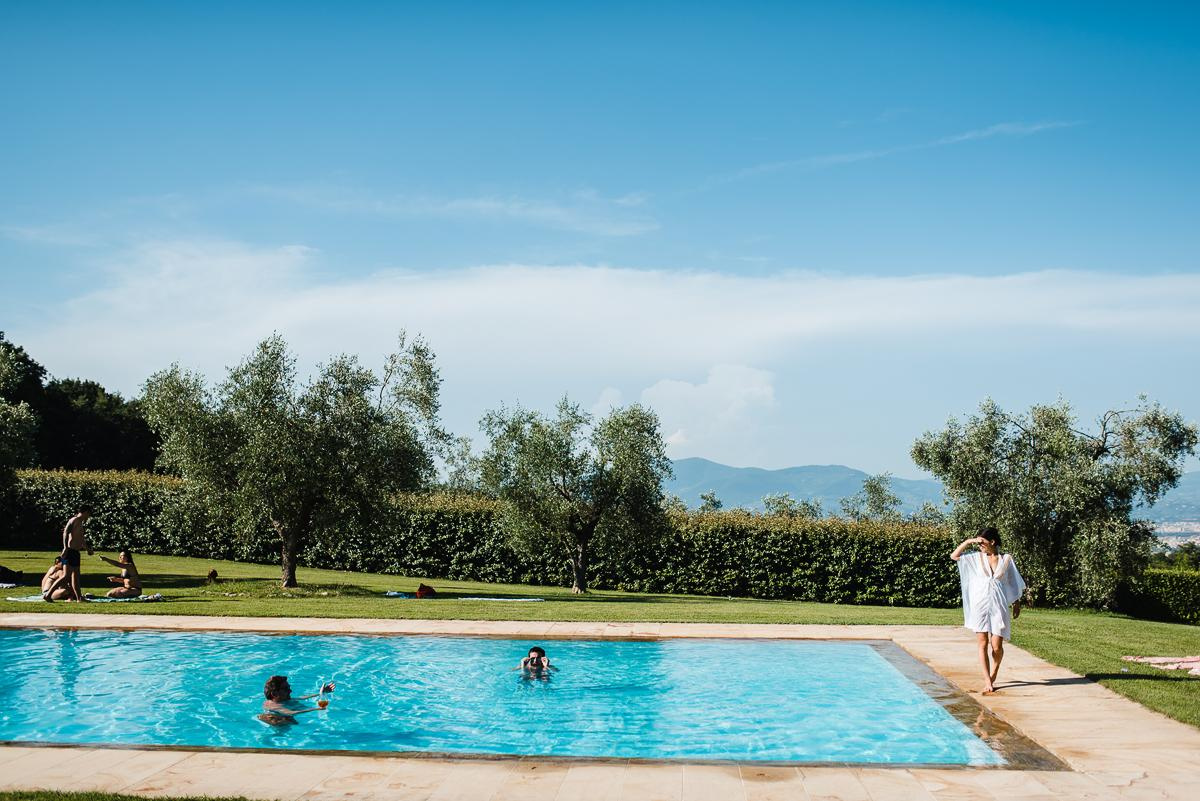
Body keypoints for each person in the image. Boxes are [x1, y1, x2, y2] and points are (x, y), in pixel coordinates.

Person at [951, 526, 1026, 695]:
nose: (980, 546)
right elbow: (954, 556)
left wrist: (1016, 603)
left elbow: (1014, 583)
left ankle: (995, 671)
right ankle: (987, 679)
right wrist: (970, 541)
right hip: (980, 604)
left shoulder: (1006, 559)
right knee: (982, 642)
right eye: (978, 543)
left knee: (997, 646)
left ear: (992, 542)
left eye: (982, 543)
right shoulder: (976, 558)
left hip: (998, 605)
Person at [43, 505, 93, 602]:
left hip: (75, 553)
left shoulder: (80, 523)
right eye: (88, 514)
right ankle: (48, 595)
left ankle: (79, 598)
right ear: (85, 512)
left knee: (76, 576)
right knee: (66, 576)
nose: (88, 517)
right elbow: (65, 532)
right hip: (70, 551)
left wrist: (87, 549)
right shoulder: (74, 520)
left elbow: (81, 539)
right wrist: (65, 547)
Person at [258, 675, 335, 726]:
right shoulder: (273, 706)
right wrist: (316, 709)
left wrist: (321, 693)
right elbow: (291, 713)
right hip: (279, 724)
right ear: (275, 694)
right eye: (286, 689)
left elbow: (302, 698)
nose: (290, 691)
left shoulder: (282, 699)